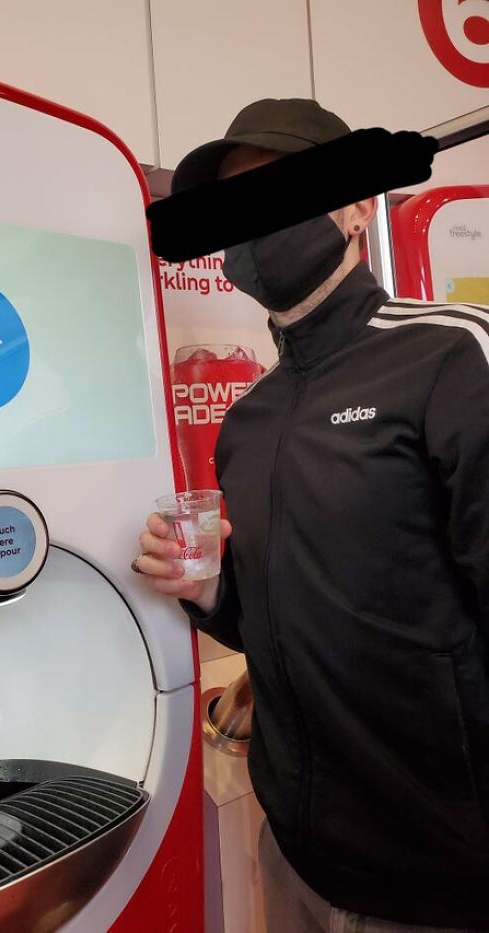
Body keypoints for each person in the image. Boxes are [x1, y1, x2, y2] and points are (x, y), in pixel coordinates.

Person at [132, 98, 489, 932]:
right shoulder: (249, 419)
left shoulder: (449, 354)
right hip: (295, 851)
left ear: (358, 203)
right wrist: (214, 590)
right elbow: (275, 627)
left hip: (442, 876)